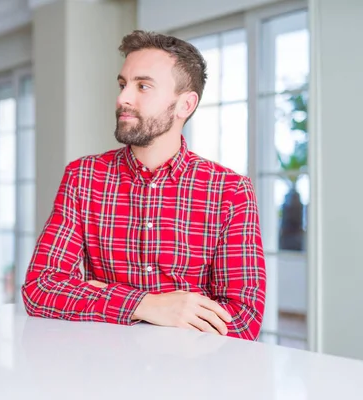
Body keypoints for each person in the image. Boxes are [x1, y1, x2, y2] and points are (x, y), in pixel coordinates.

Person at [21, 30, 266, 340]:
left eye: (143, 86)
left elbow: (243, 320)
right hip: (101, 374)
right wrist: (148, 305)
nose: (123, 98)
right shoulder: (83, 177)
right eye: (123, 84)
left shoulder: (229, 191)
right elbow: (41, 287)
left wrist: (102, 292)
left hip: (189, 380)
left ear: (185, 105)